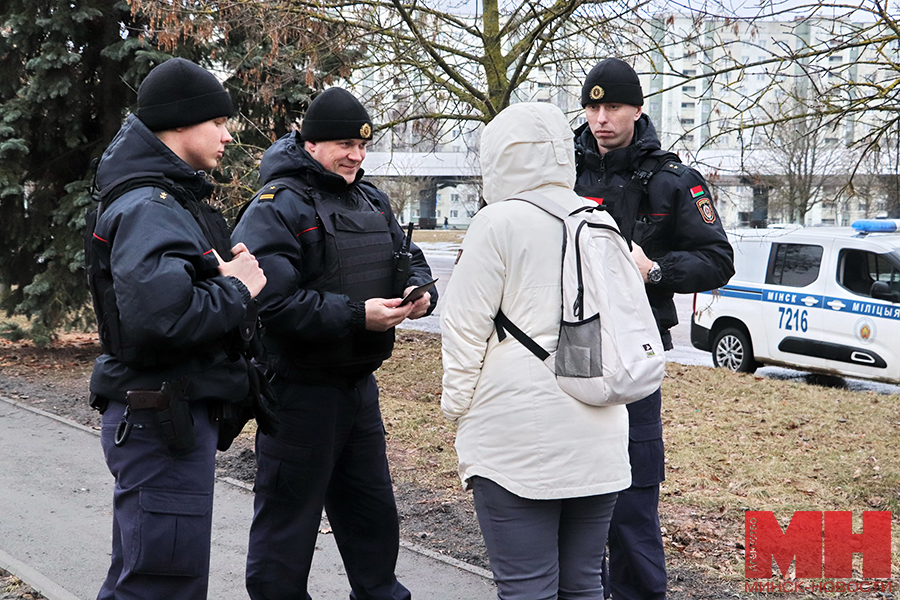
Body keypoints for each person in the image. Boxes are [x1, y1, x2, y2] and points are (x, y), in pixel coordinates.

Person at [232, 86, 437, 600]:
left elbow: (406, 255)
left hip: (357, 388)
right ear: (311, 144)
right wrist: (356, 316)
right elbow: (270, 303)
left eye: (363, 145)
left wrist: (418, 289)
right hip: (298, 393)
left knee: (372, 517)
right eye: (345, 144)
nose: (356, 155)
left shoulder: (371, 198)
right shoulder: (275, 207)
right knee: (288, 528)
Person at [86, 57, 267, 600]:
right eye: (218, 122)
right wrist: (239, 287)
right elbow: (160, 319)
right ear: (182, 123)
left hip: (165, 416)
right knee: (160, 585)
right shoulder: (150, 204)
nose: (228, 134)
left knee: (145, 578)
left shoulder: (164, 197)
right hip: (161, 421)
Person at [441, 102, 631, 599]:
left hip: (517, 437)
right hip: (600, 427)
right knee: (584, 583)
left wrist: (456, 407)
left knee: (527, 588)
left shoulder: (496, 223)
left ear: (499, 157)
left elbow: (464, 326)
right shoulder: (599, 220)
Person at [573, 58, 734, 600]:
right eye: (592, 107)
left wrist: (656, 272)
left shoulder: (673, 180)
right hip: (568, 347)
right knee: (571, 491)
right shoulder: (558, 171)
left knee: (633, 497)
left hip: (637, 349)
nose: (601, 118)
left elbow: (718, 259)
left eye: (613, 106)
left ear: (637, 110)